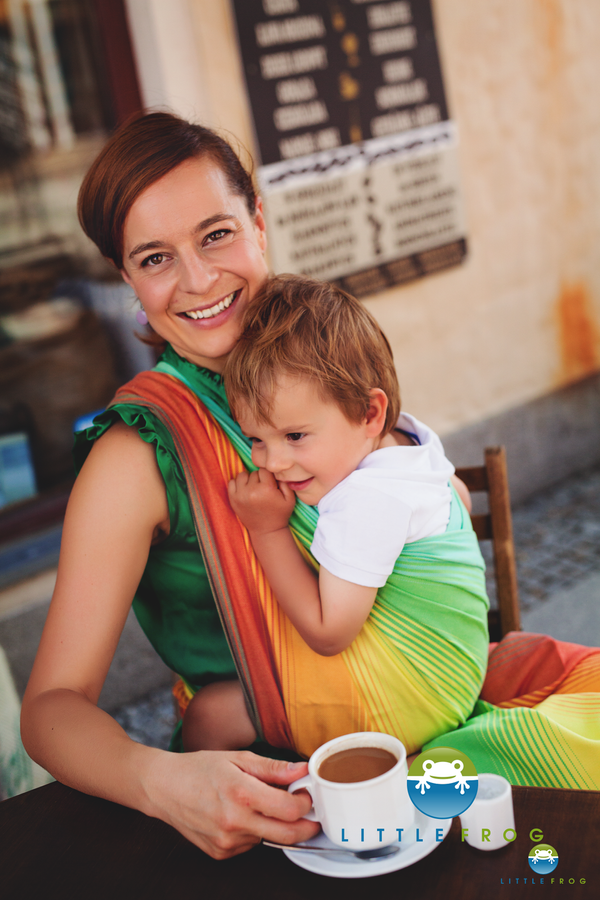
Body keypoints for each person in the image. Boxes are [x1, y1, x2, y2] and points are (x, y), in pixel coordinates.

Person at [20, 112, 600, 864]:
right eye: (155, 257)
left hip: (436, 715)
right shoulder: (136, 457)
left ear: (259, 222)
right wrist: (160, 782)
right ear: (126, 277)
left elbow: (416, 498)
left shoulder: (311, 357)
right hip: (281, 789)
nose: (197, 279)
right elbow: (49, 711)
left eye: (216, 234)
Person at [182, 275, 480, 752]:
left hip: (406, 705)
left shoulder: (367, 498)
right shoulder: (408, 443)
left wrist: (268, 529)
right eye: (256, 439)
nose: (272, 462)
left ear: (368, 414)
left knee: (210, 715)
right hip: (456, 678)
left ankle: (222, 819)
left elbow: (327, 633)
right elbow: (459, 497)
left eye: (295, 436)